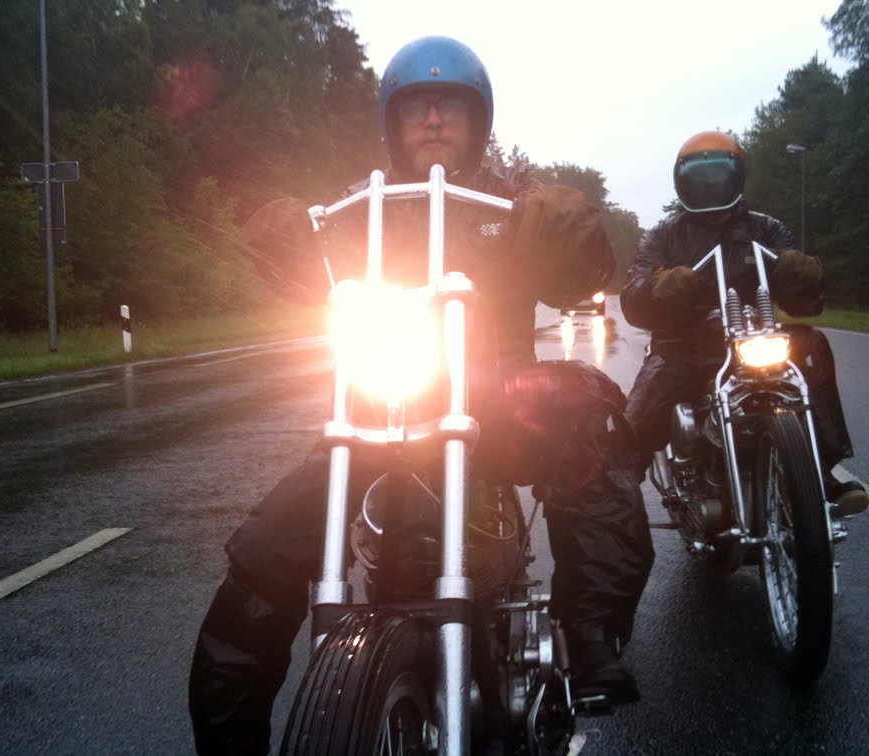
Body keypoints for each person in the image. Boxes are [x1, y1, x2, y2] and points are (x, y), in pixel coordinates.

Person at [188, 36, 654, 753]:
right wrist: (279, 236)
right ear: (393, 122)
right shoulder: (359, 208)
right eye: (417, 107)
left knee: (594, 422)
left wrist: (570, 226)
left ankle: (589, 633)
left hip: (500, 400)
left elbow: (581, 274)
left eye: (449, 106)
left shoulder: (513, 205)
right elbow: (302, 276)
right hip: (380, 409)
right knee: (265, 556)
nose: (433, 118)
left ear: (477, 121)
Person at [621, 129, 869, 517]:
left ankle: (820, 472)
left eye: (718, 176)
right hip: (684, 344)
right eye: (699, 178)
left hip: (754, 336)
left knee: (811, 344)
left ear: (736, 177)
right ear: (682, 181)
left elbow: (804, 305)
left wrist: (801, 276)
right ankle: (615, 489)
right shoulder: (663, 235)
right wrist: (658, 288)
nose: (709, 186)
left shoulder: (767, 229)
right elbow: (633, 297)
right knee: (641, 411)